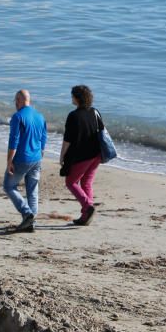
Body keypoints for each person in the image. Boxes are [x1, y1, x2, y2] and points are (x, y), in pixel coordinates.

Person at [3, 89, 47, 233]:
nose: (15, 103)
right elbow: (43, 138)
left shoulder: (17, 117)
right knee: (33, 191)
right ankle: (31, 222)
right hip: (36, 159)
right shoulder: (40, 116)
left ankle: (27, 213)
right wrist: (40, 154)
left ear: (20, 100)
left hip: (22, 158)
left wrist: (9, 161)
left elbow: (13, 141)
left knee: (9, 186)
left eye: (16, 100)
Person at [59, 84, 102, 226]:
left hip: (82, 156)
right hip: (96, 154)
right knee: (86, 183)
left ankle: (87, 206)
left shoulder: (73, 115)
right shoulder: (95, 112)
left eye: (72, 96)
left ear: (77, 98)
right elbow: (101, 132)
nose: (71, 98)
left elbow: (68, 139)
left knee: (70, 182)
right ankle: (85, 217)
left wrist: (62, 155)